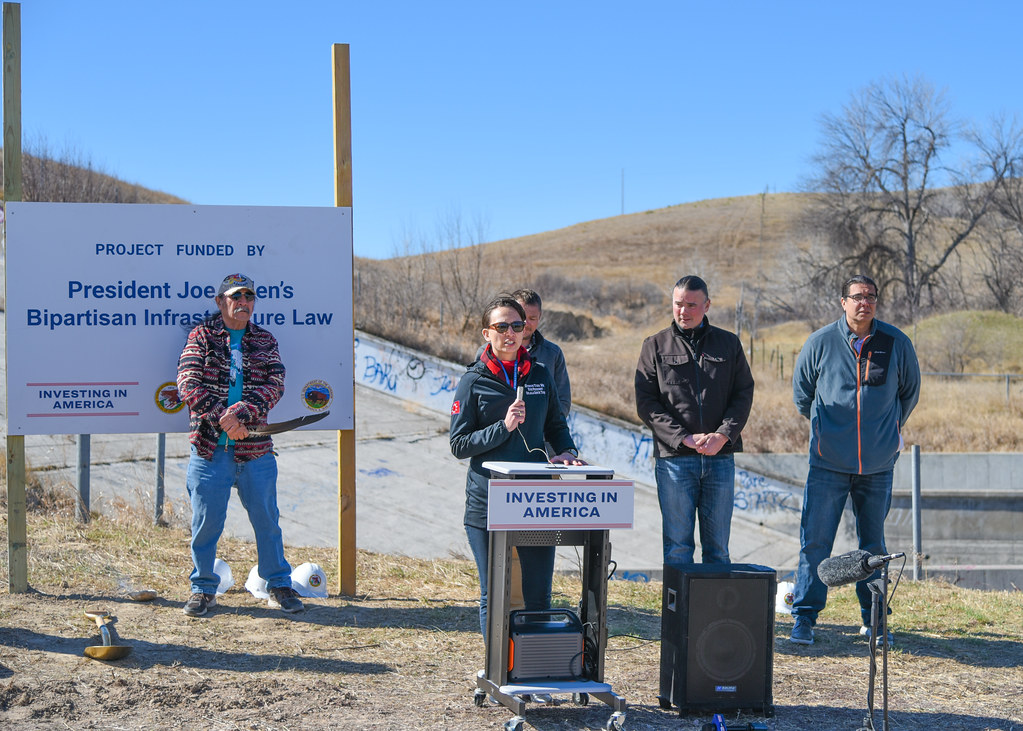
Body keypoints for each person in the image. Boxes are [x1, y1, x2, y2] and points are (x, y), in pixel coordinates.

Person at [789, 275, 920, 646]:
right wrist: (829, 432)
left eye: (872, 297)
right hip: (828, 464)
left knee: (874, 546)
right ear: (842, 302)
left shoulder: (895, 343)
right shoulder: (820, 343)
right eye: (858, 297)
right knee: (815, 543)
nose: (865, 303)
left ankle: (874, 619)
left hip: (877, 467)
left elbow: (908, 393)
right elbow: (803, 396)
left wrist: (887, 432)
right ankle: (805, 618)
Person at [450, 295, 583, 638]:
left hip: (535, 499)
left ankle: (534, 670)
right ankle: (499, 673)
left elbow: (555, 423)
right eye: (501, 326)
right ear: (486, 333)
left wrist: (566, 450)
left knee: (539, 595)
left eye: (517, 325)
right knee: (494, 594)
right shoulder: (473, 381)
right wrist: (503, 428)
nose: (510, 333)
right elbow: (459, 445)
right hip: (489, 503)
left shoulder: (538, 373)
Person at [176, 273, 305, 617]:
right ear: (220, 302)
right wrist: (223, 419)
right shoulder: (201, 335)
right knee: (205, 523)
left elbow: (275, 383)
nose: (244, 303)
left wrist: (242, 413)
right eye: (236, 297)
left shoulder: (264, 339)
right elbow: (187, 382)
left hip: (256, 452)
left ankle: (278, 584)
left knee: (267, 520)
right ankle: (203, 588)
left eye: (249, 298)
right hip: (209, 450)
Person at [634, 275, 754, 568]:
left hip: (719, 459)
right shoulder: (655, 346)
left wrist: (723, 435)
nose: (683, 311)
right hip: (675, 461)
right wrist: (682, 438)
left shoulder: (728, 344)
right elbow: (646, 403)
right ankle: (679, 614)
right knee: (677, 548)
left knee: (718, 550)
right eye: (678, 304)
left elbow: (743, 394)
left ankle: (714, 614)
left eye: (691, 305)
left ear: (707, 305)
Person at [474, 288, 571, 417]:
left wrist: (543, 426)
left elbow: (563, 400)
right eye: (522, 317)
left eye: (532, 318)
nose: (526, 323)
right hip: (498, 431)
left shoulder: (553, 354)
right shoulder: (486, 353)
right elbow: (476, 397)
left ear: (540, 317)